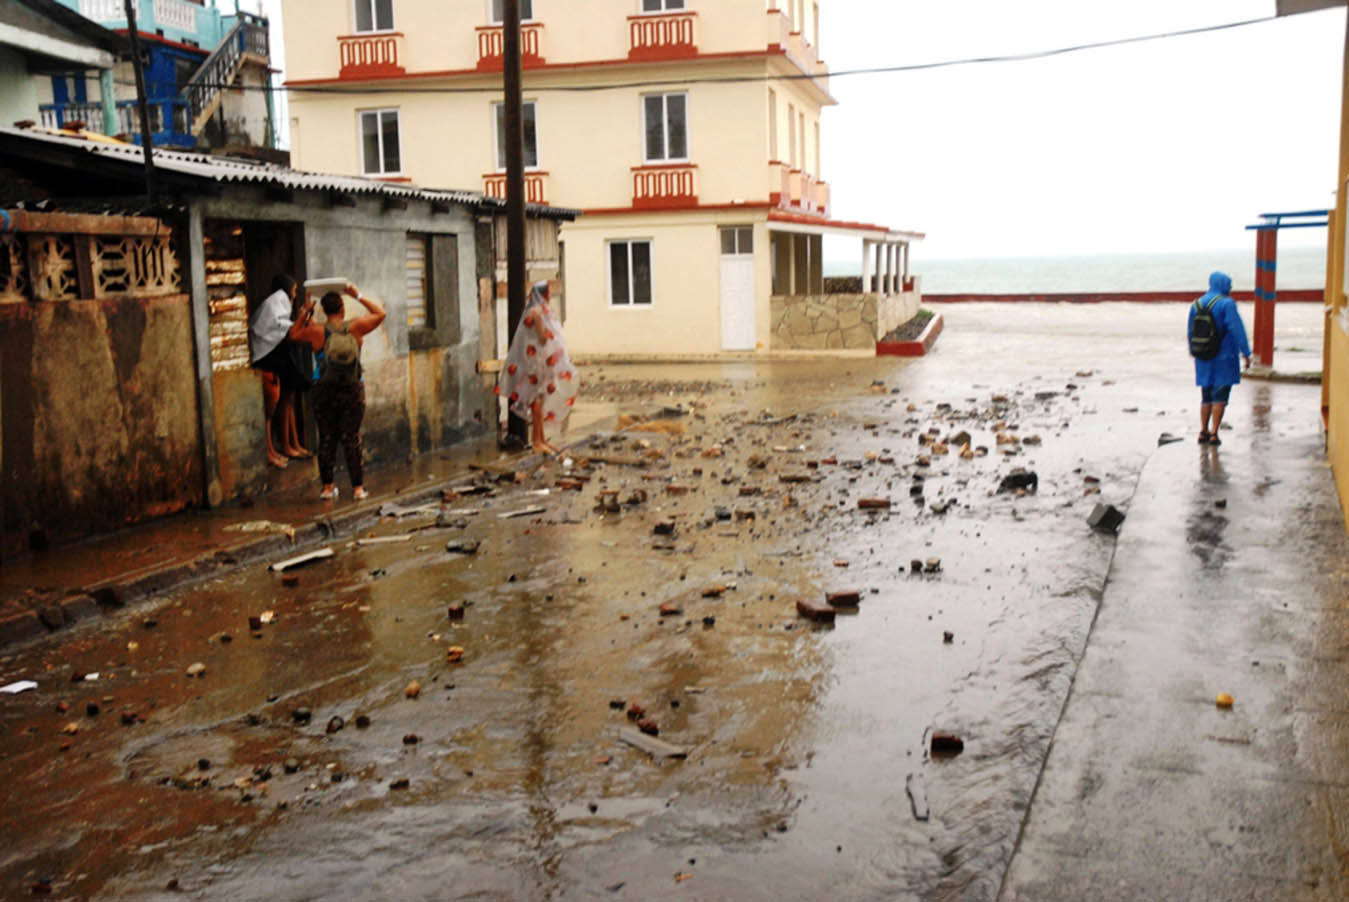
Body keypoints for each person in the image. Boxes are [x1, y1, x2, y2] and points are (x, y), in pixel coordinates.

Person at [291, 282, 386, 500]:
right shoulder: (356, 327)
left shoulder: (315, 331)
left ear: (323, 310)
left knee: (326, 438)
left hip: (323, 389)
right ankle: (358, 489)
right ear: (342, 309)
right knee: (351, 438)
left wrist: (305, 311)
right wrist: (357, 294)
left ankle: (327, 488)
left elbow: (294, 335)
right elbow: (381, 313)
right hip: (352, 388)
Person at [496, 280, 579, 454]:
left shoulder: (541, 311)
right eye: (547, 292)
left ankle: (540, 439)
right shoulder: (537, 313)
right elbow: (542, 337)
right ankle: (536, 441)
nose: (549, 295)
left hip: (542, 359)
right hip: (536, 362)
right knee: (536, 399)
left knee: (541, 399)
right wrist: (551, 335)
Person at [250, 274, 311, 468]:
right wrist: (299, 320)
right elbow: (277, 327)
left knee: (287, 401)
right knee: (270, 410)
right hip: (267, 360)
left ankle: (290, 445)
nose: (295, 292)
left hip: (276, 359)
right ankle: (274, 449)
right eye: (293, 288)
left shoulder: (282, 303)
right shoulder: (276, 301)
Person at [1188, 271, 1252, 446]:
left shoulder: (1196, 304)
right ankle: (1214, 433)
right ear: (1224, 285)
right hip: (1224, 357)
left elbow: (1190, 332)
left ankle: (1203, 431)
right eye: (1229, 285)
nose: (1230, 289)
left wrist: (1194, 352)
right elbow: (1237, 329)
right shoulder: (1226, 304)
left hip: (1203, 357)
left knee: (1206, 396)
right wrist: (1246, 352)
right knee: (1220, 396)